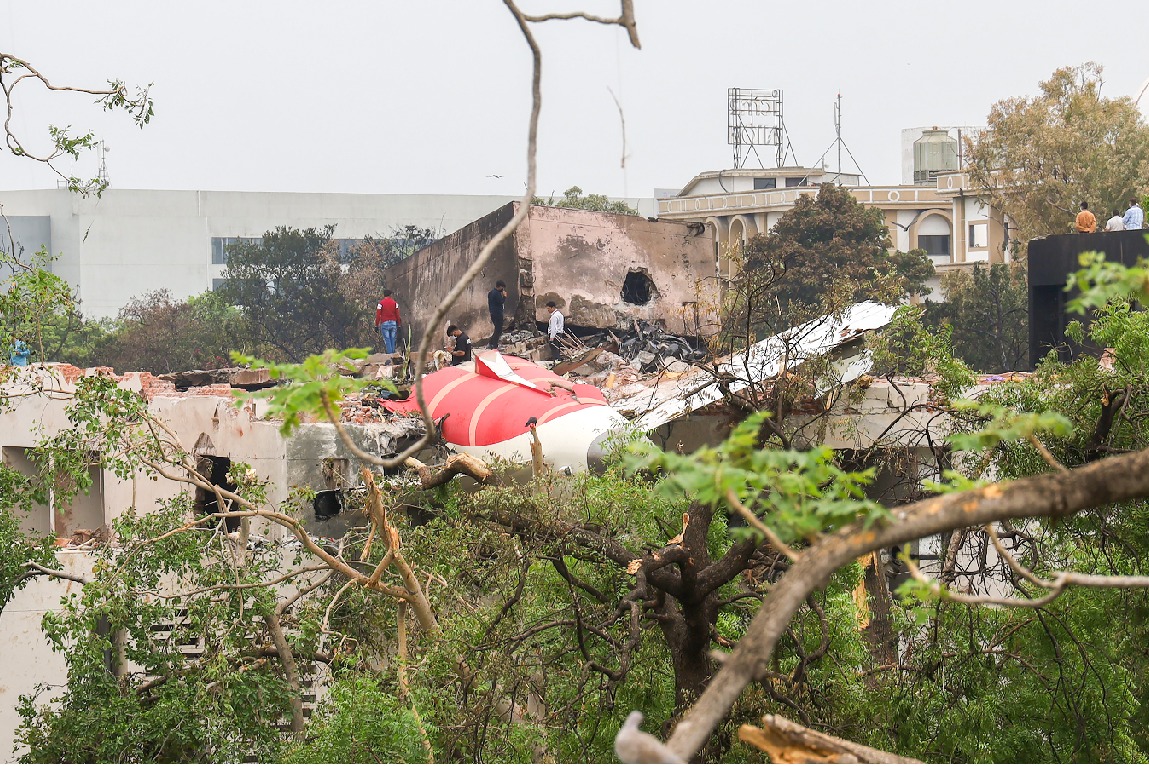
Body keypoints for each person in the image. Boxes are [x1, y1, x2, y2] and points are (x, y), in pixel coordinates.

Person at [374, 289, 402, 355]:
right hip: (393, 323)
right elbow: (397, 315)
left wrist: (376, 325)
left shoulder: (380, 304)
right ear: (390, 295)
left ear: (384, 295)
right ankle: (393, 354)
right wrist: (399, 324)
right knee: (393, 339)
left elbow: (378, 315)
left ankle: (390, 355)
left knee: (387, 340)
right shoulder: (395, 303)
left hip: (384, 323)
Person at [487, 279, 507, 349]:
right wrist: (504, 296)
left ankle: (492, 343)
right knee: (498, 329)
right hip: (497, 313)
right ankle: (493, 344)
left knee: (497, 329)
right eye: (502, 287)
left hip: (493, 313)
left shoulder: (491, 293)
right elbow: (501, 302)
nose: (503, 289)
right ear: (500, 286)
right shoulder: (496, 293)